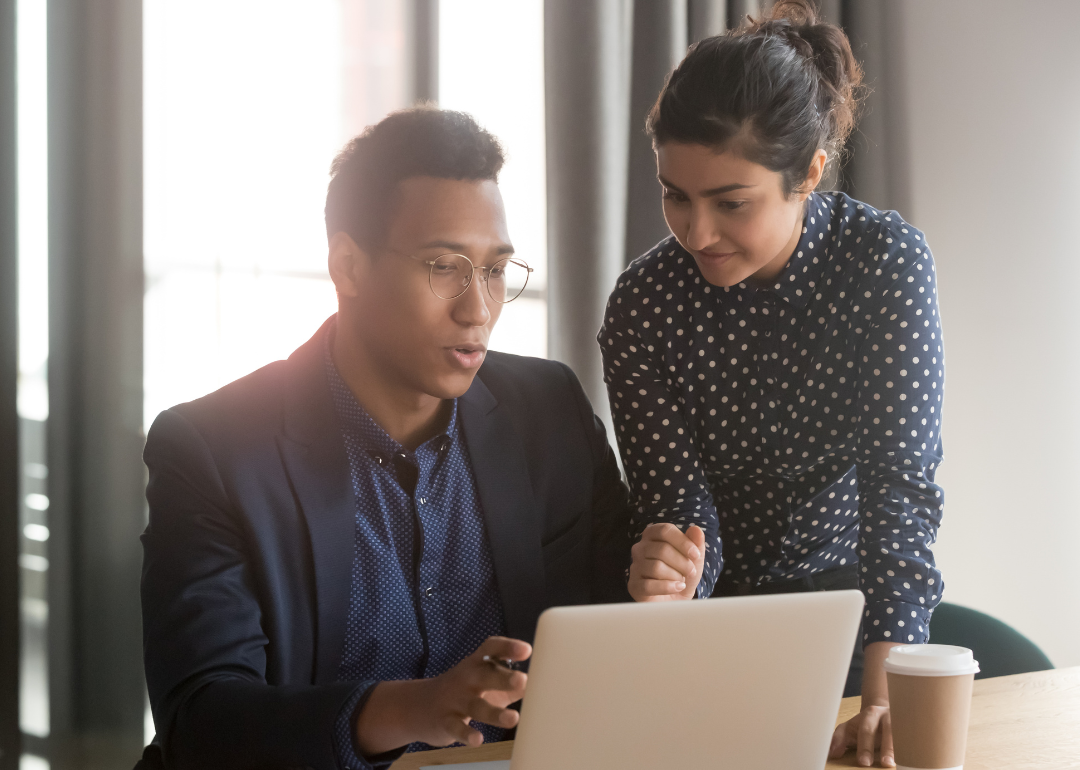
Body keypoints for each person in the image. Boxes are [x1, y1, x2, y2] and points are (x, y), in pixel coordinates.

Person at [139, 107, 631, 770]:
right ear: (348, 265)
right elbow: (203, 723)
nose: (477, 310)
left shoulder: (548, 411)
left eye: (492, 270)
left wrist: (663, 578)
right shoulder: (214, 450)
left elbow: (619, 632)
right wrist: (415, 708)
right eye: (443, 266)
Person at [599, 2, 943, 768]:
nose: (695, 233)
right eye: (674, 195)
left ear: (809, 174)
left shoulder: (884, 267)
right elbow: (675, 502)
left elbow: (900, 494)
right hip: (712, 629)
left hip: (853, 616)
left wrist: (884, 691)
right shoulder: (642, 306)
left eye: (731, 203)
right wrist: (675, 568)